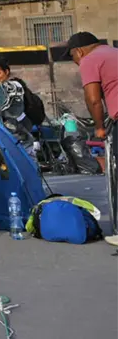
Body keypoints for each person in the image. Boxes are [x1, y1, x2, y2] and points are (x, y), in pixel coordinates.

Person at [66, 31, 118, 247]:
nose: (75, 62)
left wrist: (99, 127)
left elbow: (93, 99)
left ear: (79, 51)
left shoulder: (90, 59)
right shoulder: (114, 52)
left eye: (72, 56)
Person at [0, 61, 35, 150]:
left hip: (19, 123)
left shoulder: (13, 85)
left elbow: (8, 106)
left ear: (6, 71)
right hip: (12, 123)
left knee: (24, 148)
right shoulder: (1, 86)